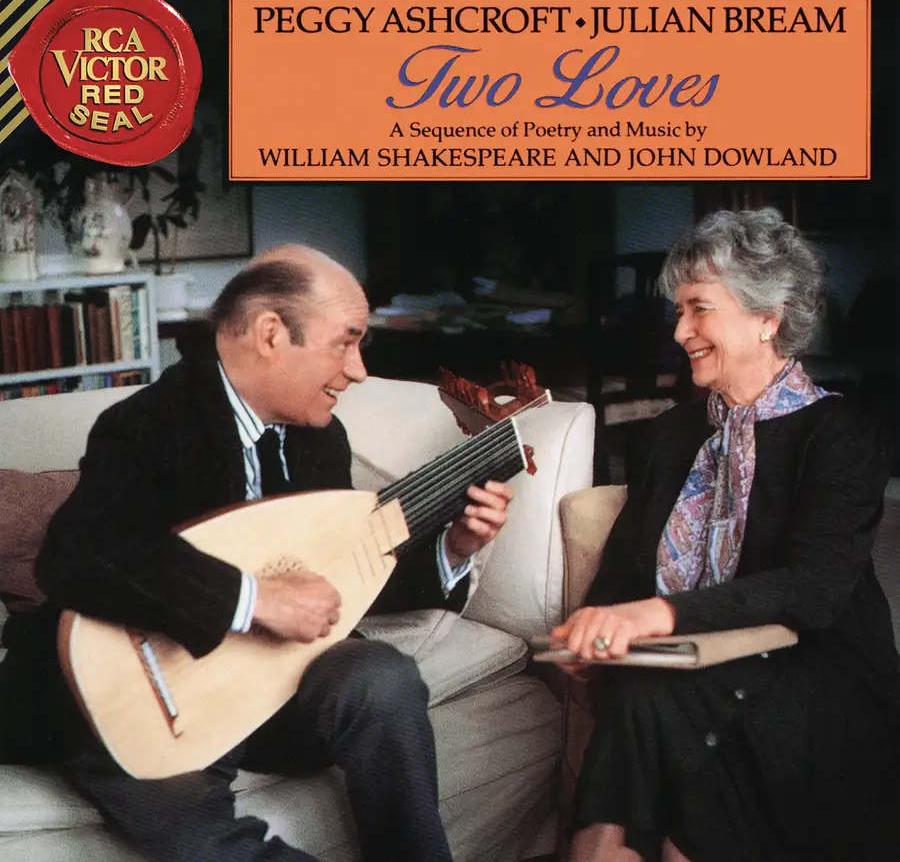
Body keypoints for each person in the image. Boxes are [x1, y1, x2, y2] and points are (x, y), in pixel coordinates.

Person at [0, 244, 513, 862]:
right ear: (271, 333)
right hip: (137, 696)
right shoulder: (149, 423)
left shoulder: (319, 437)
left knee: (383, 678)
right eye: (345, 343)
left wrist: (454, 547)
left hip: (262, 685)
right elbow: (78, 553)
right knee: (191, 831)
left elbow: (334, 585)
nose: (358, 371)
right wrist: (253, 599)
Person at [550, 208, 900, 862]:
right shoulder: (668, 436)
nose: (680, 331)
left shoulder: (842, 434)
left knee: (653, 707)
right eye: (678, 311)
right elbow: (626, 568)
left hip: (811, 668)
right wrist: (591, 628)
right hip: (682, 663)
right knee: (647, 697)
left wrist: (656, 614)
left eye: (699, 309)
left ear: (769, 318)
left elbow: (813, 591)